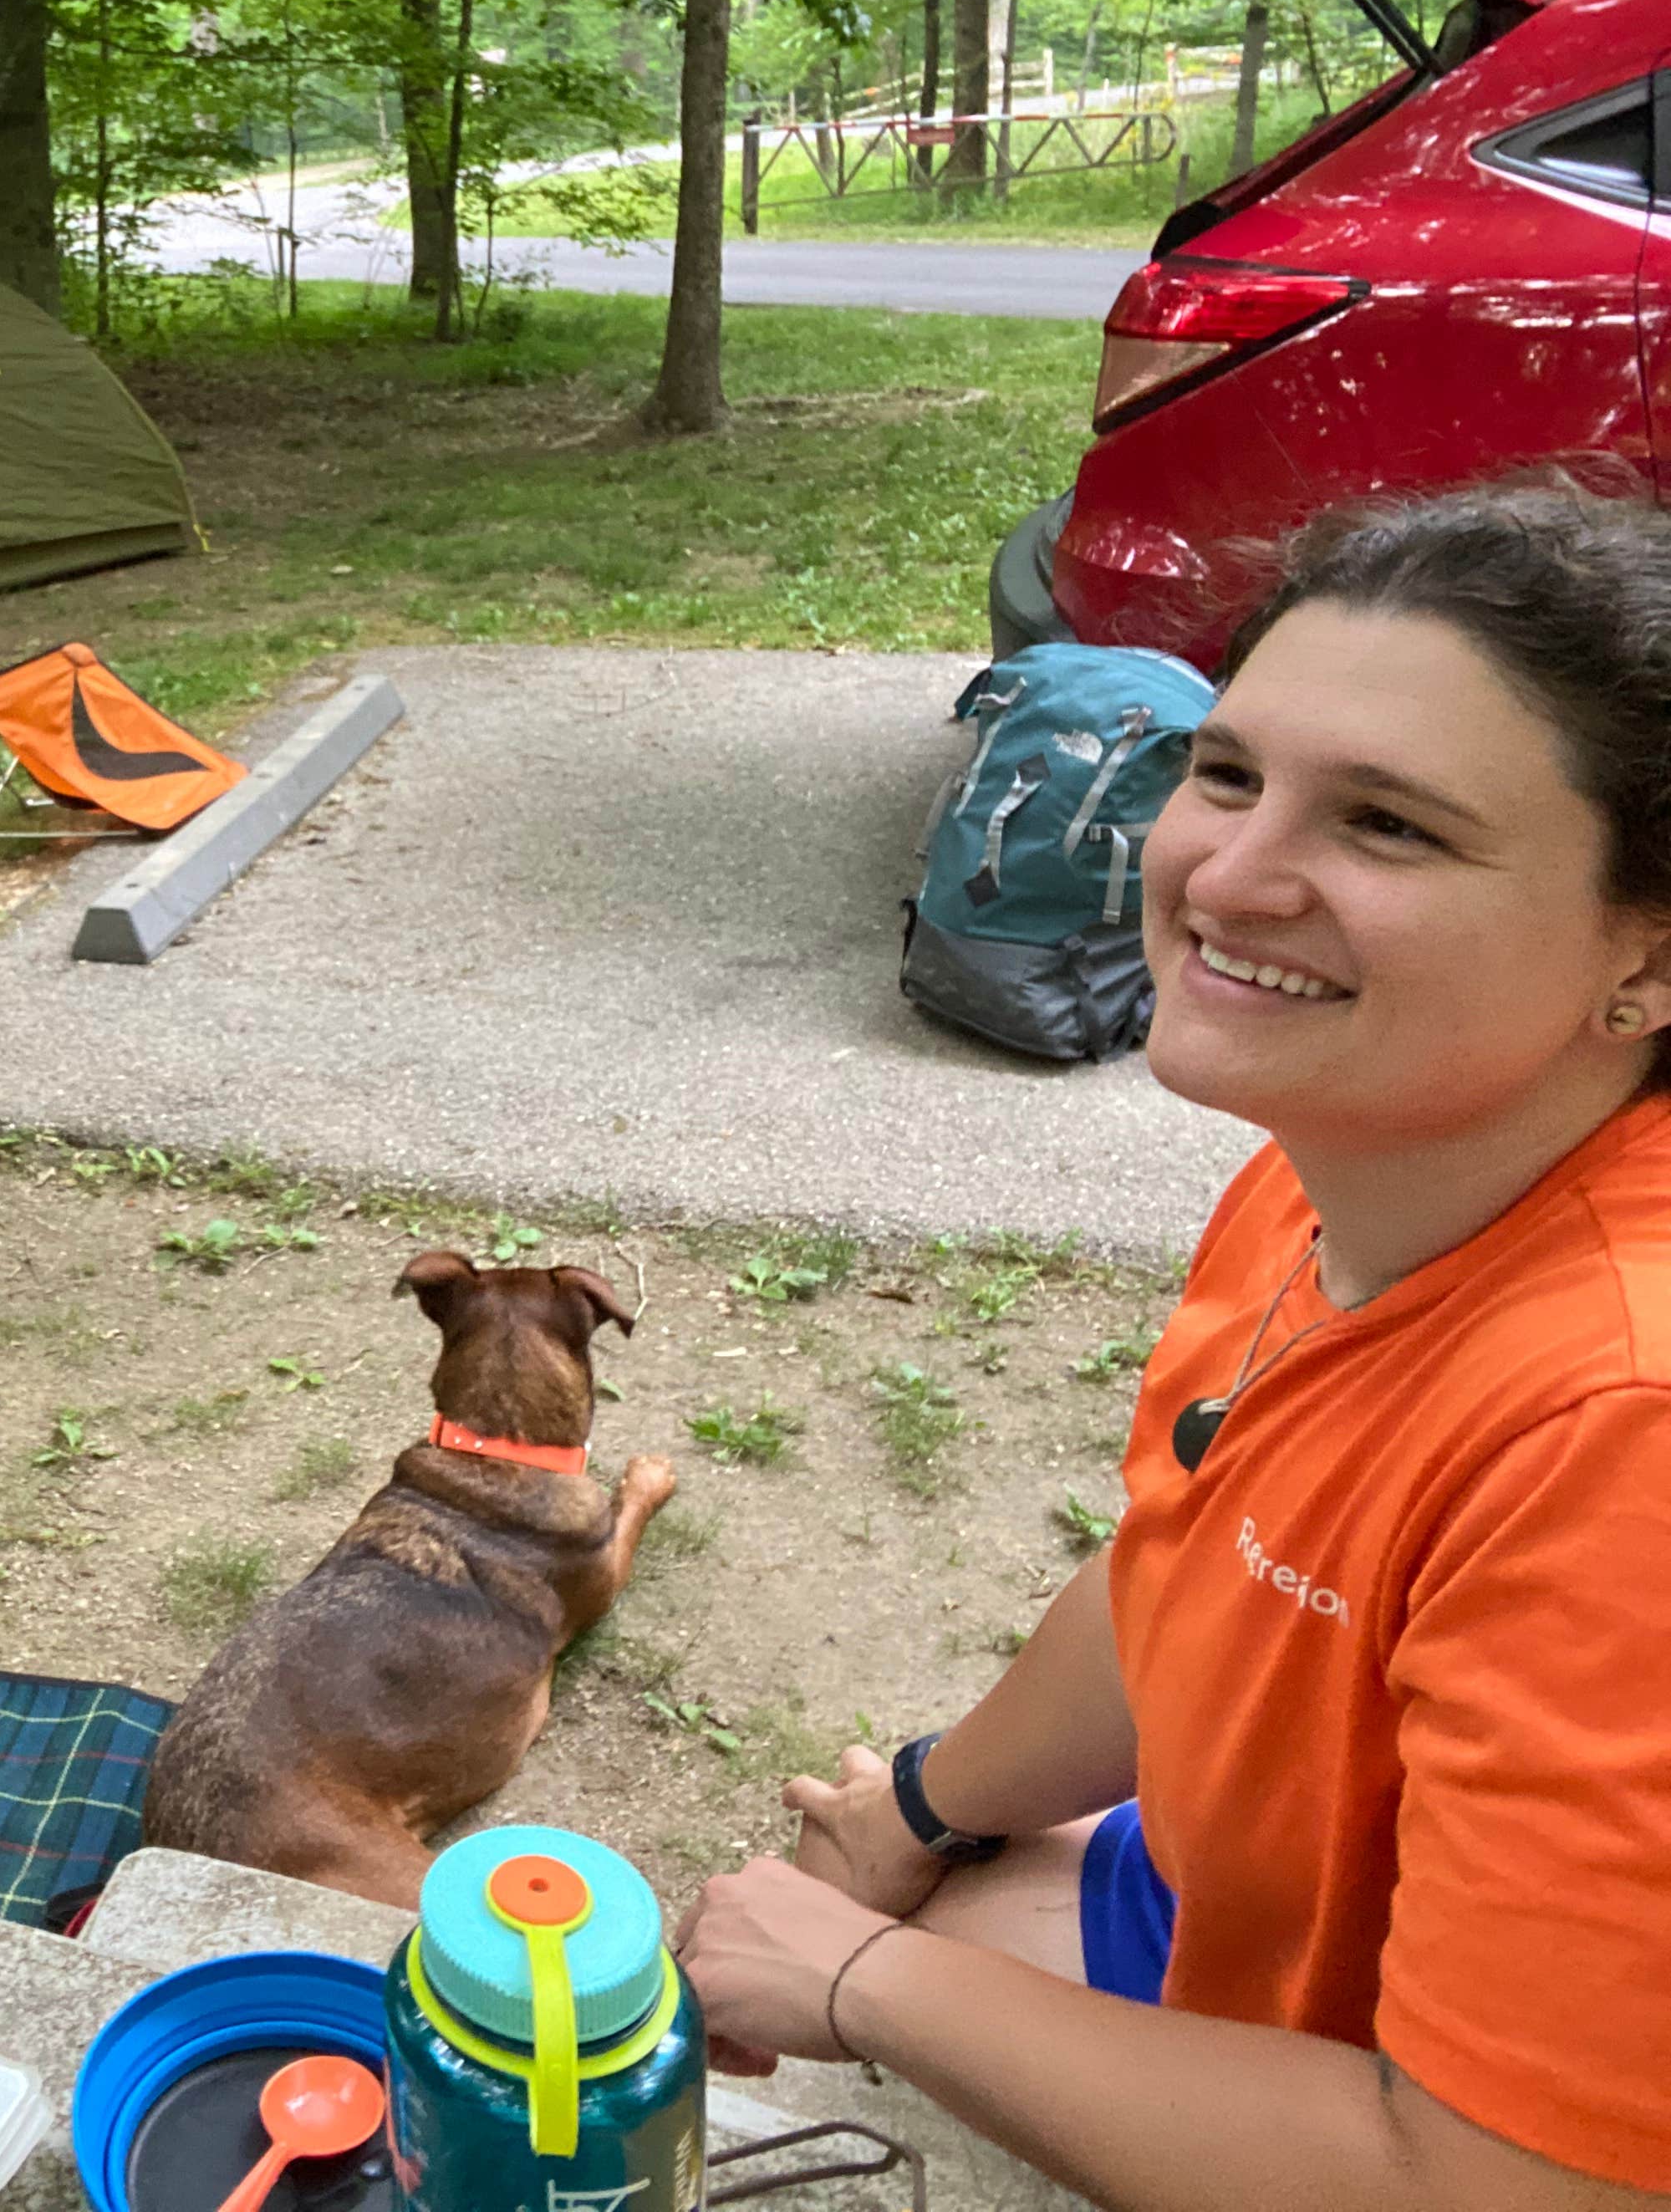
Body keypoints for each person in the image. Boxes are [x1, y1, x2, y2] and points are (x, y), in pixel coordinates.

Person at [677, 482, 1671, 2207]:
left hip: (1469, 2131)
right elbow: (1200, 1576)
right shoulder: (1345, 1167)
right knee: (947, 1922)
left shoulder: (1620, 1435)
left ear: (1647, 959)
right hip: (1257, 1903)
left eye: (1387, 826)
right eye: (1226, 773)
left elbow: (1507, 2187)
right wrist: (919, 1809)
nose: (1230, 873)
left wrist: (859, 1983)